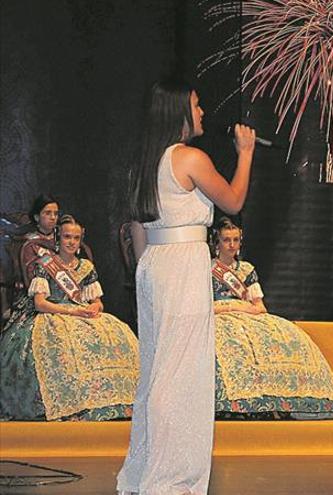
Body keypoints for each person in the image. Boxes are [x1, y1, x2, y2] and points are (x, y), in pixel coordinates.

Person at [117, 79, 256, 495]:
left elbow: (139, 229)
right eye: (196, 106)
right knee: (181, 371)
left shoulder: (145, 161)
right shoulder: (190, 158)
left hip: (155, 266)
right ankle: (171, 477)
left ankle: (146, 471)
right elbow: (233, 201)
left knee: (158, 366)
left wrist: (148, 274)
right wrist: (245, 154)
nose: (202, 112)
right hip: (182, 265)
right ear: (179, 110)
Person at [0, 215, 139, 420]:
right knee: (61, 342)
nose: (72, 242)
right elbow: (40, 303)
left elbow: (97, 301)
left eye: (76, 238)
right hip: (52, 313)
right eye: (67, 237)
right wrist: (72, 311)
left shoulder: (86, 267)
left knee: (118, 332)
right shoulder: (46, 264)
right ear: (58, 238)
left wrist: (94, 308)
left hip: (83, 312)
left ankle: (112, 398)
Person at [211, 217, 333, 419]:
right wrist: (227, 306)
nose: (232, 245)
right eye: (226, 240)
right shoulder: (206, 269)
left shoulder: (247, 270)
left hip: (247, 316)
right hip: (216, 315)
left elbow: (260, 307)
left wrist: (241, 306)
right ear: (217, 242)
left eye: (236, 240)